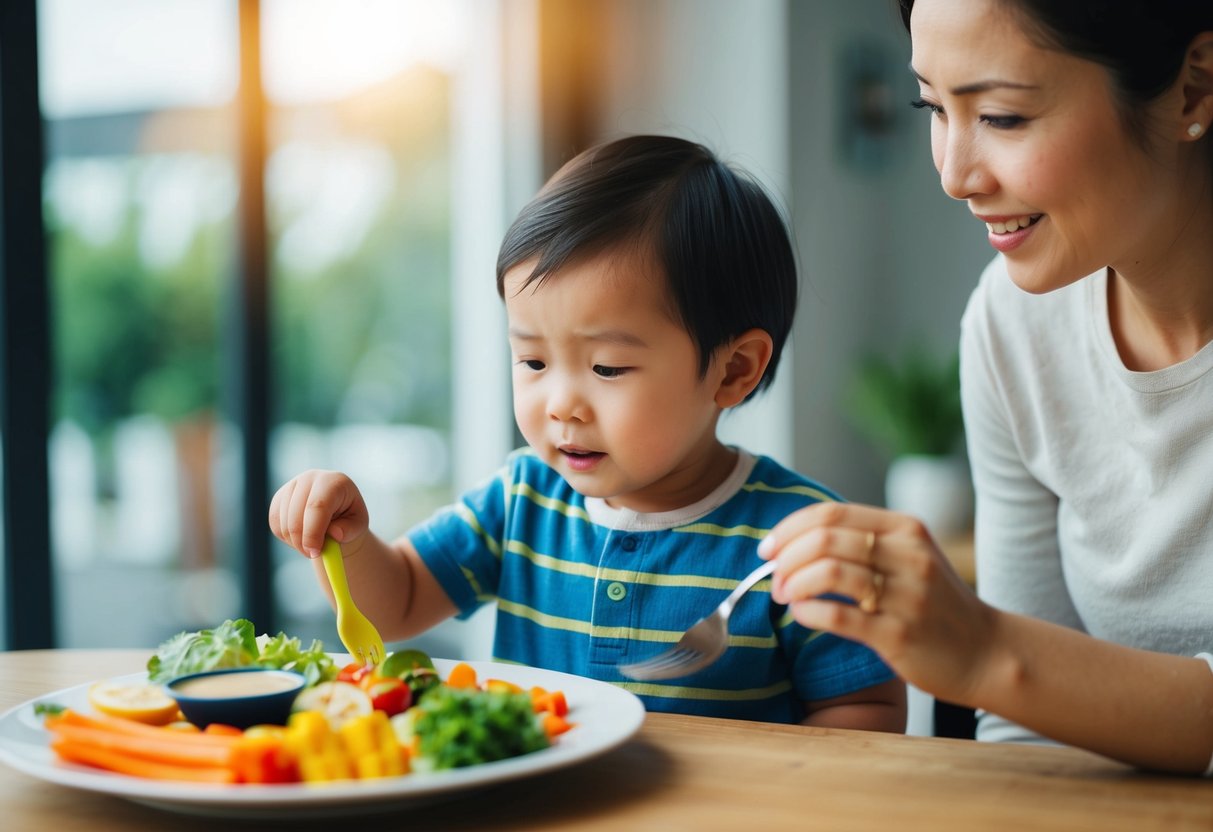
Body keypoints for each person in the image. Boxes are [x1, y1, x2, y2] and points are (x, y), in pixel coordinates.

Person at [270, 135, 905, 729]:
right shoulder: (522, 499)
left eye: (606, 367)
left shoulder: (799, 538)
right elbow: (398, 602)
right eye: (534, 362)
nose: (561, 404)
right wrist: (349, 541)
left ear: (733, 370)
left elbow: (864, 706)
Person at [759, 0, 1213, 773]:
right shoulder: (1012, 328)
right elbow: (1028, 737)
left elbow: (1011, 670)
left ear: (1191, 90)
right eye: (932, 107)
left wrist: (982, 650)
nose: (952, 174)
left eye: (1000, 116)